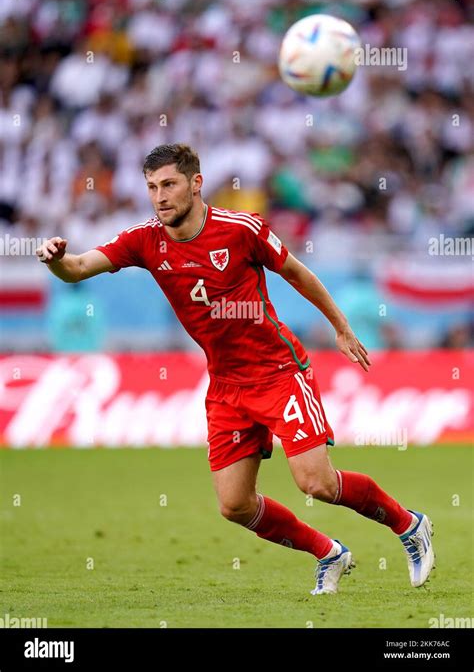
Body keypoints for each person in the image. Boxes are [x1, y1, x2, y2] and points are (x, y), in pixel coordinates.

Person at [36, 143, 435, 594]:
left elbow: (298, 274)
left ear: (196, 184)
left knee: (316, 483)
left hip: (279, 371)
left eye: (169, 184)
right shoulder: (145, 240)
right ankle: (329, 553)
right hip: (226, 386)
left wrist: (341, 329)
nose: (160, 196)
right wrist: (56, 261)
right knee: (235, 505)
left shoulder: (241, 229)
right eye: (152, 187)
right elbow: (79, 267)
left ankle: (409, 526)